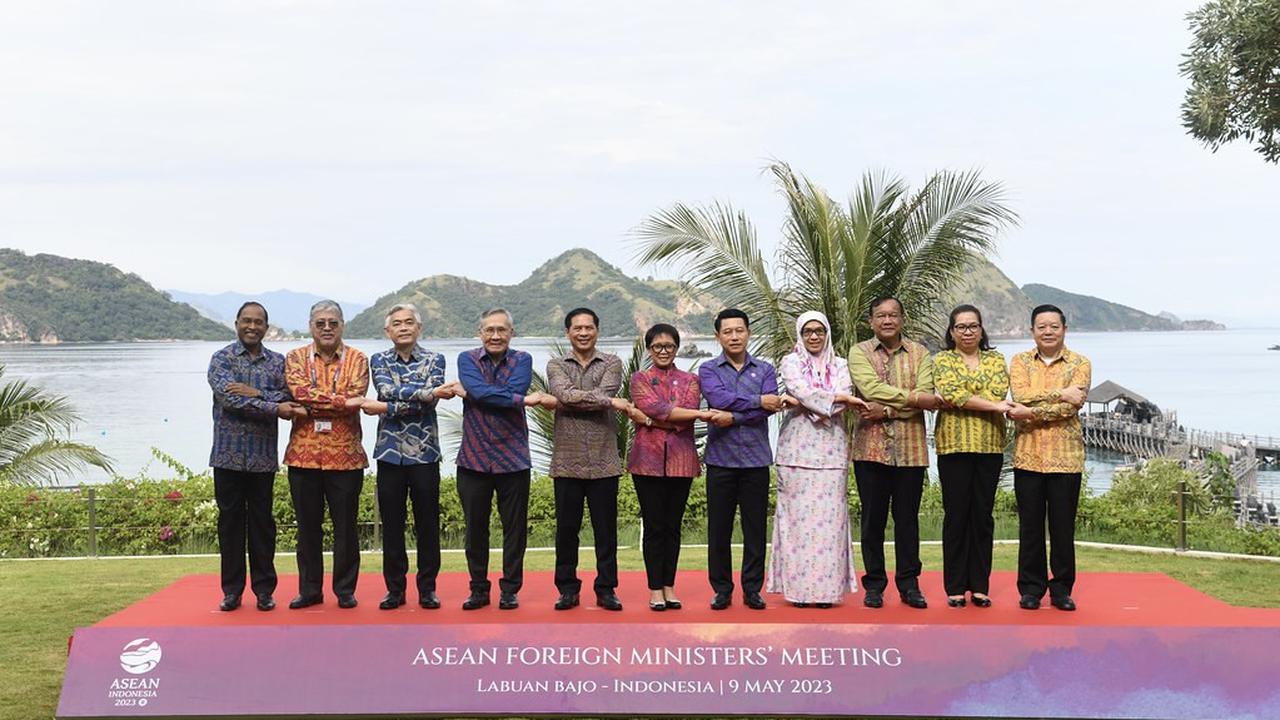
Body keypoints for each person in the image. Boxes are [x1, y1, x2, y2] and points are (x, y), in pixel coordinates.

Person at [446, 308, 552, 611]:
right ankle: (478, 588)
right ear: (480, 333)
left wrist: (477, 394)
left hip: (513, 458)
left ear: (511, 333)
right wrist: (518, 400)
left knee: (514, 529)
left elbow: (494, 392)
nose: (495, 335)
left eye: (501, 330)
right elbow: (486, 392)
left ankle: (510, 589)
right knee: (475, 528)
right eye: (489, 330)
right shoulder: (467, 359)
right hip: (473, 459)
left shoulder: (523, 360)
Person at [848, 296, 943, 610]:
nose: (887, 321)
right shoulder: (858, 352)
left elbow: (927, 397)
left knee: (907, 520)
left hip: (911, 450)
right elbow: (869, 389)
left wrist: (886, 410)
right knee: (872, 521)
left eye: (892, 315)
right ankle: (874, 585)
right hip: (869, 450)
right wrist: (912, 400)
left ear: (902, 318)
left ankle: (909, 584)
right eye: (880, 316)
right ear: (871, 321)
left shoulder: (920, 353)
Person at [207, 302, 303, 612]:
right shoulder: (221, 359)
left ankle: (265, 591)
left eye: (258, 322)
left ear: (266, 326)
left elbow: (291, 396)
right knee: (230, 525)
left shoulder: (277, 363)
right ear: (236, 323)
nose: (252, 326)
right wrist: (273, 407)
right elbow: (230, 399)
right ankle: (232, 591)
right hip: (227, 457)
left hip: (262, 458)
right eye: (246, 321)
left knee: (263, 525)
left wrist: (258, 393)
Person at [360, 304, 454, 610]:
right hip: (389, 455)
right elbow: (386, 390)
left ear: (419, 328)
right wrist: (426, 392)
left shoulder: (435, 359)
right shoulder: (379, 360)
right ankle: (395, 590)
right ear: (387, 331)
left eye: (409, 322)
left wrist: (388, 407)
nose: (403, 327)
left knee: (427, 525)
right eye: (397, 323)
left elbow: (422, 405)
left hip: (425, 455)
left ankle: (427, 589)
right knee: (392, 525)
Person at [769, 311, 865, 609]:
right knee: (796, 523)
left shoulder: (841, 365)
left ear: (827, 334)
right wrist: (835, 399)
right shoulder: (790, 361)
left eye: (819, 331)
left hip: (831, 452)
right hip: (796, 451)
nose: (814, 336)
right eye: (808, 331)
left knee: (830, 523)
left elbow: (837, 398)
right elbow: (803, 389)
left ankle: (826, 593)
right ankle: (798, 592)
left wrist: (809, 402)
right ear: (800, 334)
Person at [283, 300, 370, 610]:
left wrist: (316, 404)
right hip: (303, 456)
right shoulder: (294, 357)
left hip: (345, 457)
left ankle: (345, 590)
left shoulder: (359, 359)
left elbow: (356, 396)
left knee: (345, 527)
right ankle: (309, 590)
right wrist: (339, 401)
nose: (327, 328)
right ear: (311, 326)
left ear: (342, 325)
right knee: (307, 527)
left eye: (333, 322)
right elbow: (298, 391)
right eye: (320, 323)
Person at [1006, 304, 1091, 611]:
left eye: (1054, 326)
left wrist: (1032, 413)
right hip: (1028, 456)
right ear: (1032, 331)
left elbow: (1072, 407)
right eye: (1041, 326)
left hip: (1066, 457)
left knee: (1062, 527)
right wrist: (1059, 393)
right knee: (1029, 526)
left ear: (1064, 329)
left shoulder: (1081, 363)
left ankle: (1061, 589)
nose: (1048, 331)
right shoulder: (1019, 361)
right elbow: (1020, 396)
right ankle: (1031, 588)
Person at [699, 308, 782, 611]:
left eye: (739, 330)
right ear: (717, 336)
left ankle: (752, 589)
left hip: (756, 461)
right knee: (718, 530)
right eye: (727, 331)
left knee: (755, 529)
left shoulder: (766, 369)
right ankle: (722, 589)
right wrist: (758, 401)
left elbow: (770, 408)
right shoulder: (708, 369)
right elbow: (717, 399)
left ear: (748, 332)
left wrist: (732, 416)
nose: (734, 336)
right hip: (721, 460)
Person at [627, 323, 713, 611]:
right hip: (646, 462)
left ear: (676, 348)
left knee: (672, 527)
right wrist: (661, 416)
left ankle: (669, 586)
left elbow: (683, 418)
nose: (663, 351)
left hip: (682, 460)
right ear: (650, 349)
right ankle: (654, 588)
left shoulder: (691, 379)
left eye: (669, 346)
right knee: (653, 527)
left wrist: (650, 420)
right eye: (657, 346)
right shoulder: (640, 378)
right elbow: (658, 408)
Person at [546, 307, 627, 611]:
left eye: (588, 327)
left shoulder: (612, 362)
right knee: (567, 530)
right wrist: (607, 402)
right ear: (568, 332)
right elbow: (563, 394)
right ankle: (567, 588)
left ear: (597, 330)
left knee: (606, 531)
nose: (583, 333)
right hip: (567, 461)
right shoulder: (556, 364)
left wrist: (582, 399)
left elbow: (585, 394)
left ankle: (606, 588)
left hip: (604, 461)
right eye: (577, 328)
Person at [932, 304, 1012, 608]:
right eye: (961, 327)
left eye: (973, 326)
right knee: (956, 516)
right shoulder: (942, 359)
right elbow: (953, 394)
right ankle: (954, 586)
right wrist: (994, 406)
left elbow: (996, 390)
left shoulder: (996, 359)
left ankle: (980, 585)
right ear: (952, 332)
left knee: (982, 516)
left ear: (982, 330)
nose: (967, 331)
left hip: (989, 446)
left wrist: (974, 399)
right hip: (953, 446)